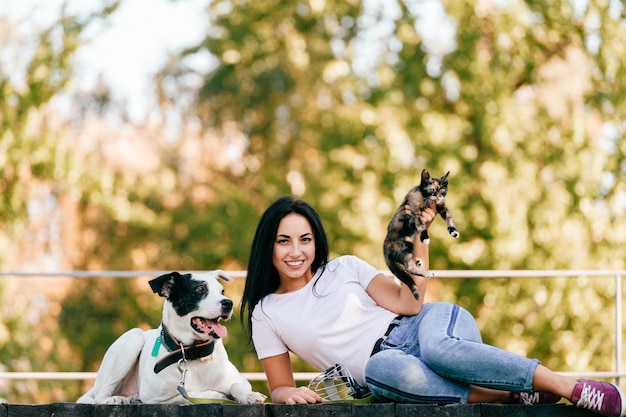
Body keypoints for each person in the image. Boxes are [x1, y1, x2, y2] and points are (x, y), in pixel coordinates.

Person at [240, 195, 625, 416]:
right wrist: (285, 395)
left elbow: (409, 302)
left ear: (316, 241)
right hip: (391, 370)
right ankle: (509, 394)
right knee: (383, 368)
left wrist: (420, 237)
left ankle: (568, 386)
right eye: (283, 241)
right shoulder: (267, 312)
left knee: (439, 349)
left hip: (427, 325)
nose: (296, 251)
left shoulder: (344, 268)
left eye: (305, 239)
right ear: (267, 246)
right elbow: (280, 388)